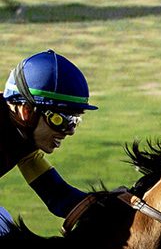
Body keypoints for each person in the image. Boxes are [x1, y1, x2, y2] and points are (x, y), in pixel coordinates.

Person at [0, 49, 97, 236]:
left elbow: (58, 197)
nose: (70, 131)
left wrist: (110, 203)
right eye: (62, 119)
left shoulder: (22, 136)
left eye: (75, 119)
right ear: (26, 111)